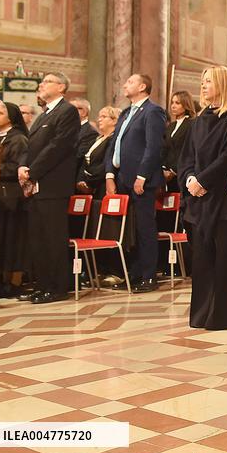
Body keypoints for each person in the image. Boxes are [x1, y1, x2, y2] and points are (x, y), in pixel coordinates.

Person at [182, 66, 227, 330]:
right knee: (201, 260)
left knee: (224, 260)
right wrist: (189, 179)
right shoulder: (197, 120)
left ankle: (222, 316)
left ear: (223, 84)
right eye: (202, 81)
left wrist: (203, 181)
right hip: (198, 199)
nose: (204, 85)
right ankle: (201, 314)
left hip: (222, 198)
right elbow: (186, 157)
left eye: (209, 81)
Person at [18, 72, 81, 304]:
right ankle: (42, 284)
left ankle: (57, 287)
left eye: (47, 82)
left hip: (53, 185)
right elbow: (31, 144)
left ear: (61, 87)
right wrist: (23, 167)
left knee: (53, 238)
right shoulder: (44, 114)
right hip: (37, 184)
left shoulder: (67, 112)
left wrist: (32, 172)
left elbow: (58, 147)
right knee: (38, 238)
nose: (41, 85)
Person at [105, 73, 168, 293]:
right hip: (122, 178)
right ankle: (133, 274)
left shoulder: (153, 112)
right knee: (129, 230)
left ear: (142, 87)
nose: (124, 84)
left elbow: (153, 147)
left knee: (145, 229)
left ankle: (149, 276)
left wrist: (142, 175)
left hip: (142, 181)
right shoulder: (125, 113)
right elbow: (114, 145)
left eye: (130, 81)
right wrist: (110, 175)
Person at [0, 101, 28, 299]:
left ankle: (13, 282)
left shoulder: (18, 138)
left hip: (12, 197)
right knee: (0, 240)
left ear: (10, 117)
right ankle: (1, 280)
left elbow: (16, 167)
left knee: (12, 240)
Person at [78, 107, 120, 201]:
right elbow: (84, 161)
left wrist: (89, 181)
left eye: (104, 116)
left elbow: (105, 164)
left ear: (114, 120)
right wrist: (81, 180)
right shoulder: (97, 139)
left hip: (101, 184)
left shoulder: (114, 140)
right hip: (88, 185)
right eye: (99, 116)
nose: (99, 119)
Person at [162, 91, 196, 192]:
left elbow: (188, 150)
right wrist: (164, 169)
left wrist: (173, 170)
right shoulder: (171, 126)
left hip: (183, 172)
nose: (173, 106)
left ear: (186, 105)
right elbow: (165, 148)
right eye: (172, 103)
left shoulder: (192, 124)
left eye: (177, 103)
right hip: (167, 175)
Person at [71, 98, 99, 167]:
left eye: (71, 109)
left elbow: (79, 156)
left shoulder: (90, 132)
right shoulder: (68, 129)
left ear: (83, 112)